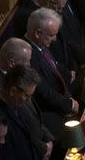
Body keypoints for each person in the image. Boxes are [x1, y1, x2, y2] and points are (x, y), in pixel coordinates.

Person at [0, 65, 49, 160]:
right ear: (13, 91)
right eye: (27, 96)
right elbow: (7, 158)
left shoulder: (15, 102)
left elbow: (28, 137)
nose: (29, 100)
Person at [24, 8, 79, 142]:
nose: (55, 39)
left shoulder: (40, 45)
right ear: (37, 33)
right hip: (49, 117)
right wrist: (68, 105)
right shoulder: (28, 56)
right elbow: (44, 92)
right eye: (51, 35)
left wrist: (67, 73)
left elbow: (53, 63)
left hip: (61, 102)